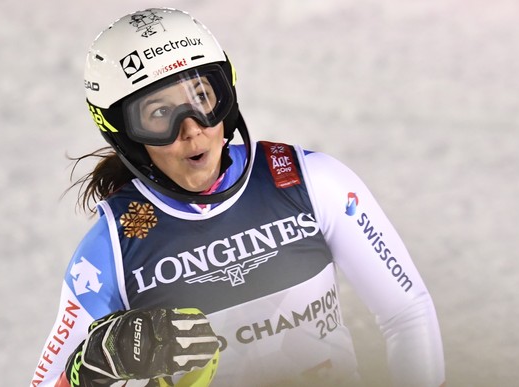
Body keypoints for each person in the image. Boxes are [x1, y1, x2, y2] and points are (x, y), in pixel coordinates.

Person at [31, 7, 445, 387]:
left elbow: (406, 314)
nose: (191, 128)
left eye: (201, 98)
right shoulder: (111, 250)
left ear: (225, 96)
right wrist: (89, 368)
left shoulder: (310, 181)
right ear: (126, 134)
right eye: (159, 114)